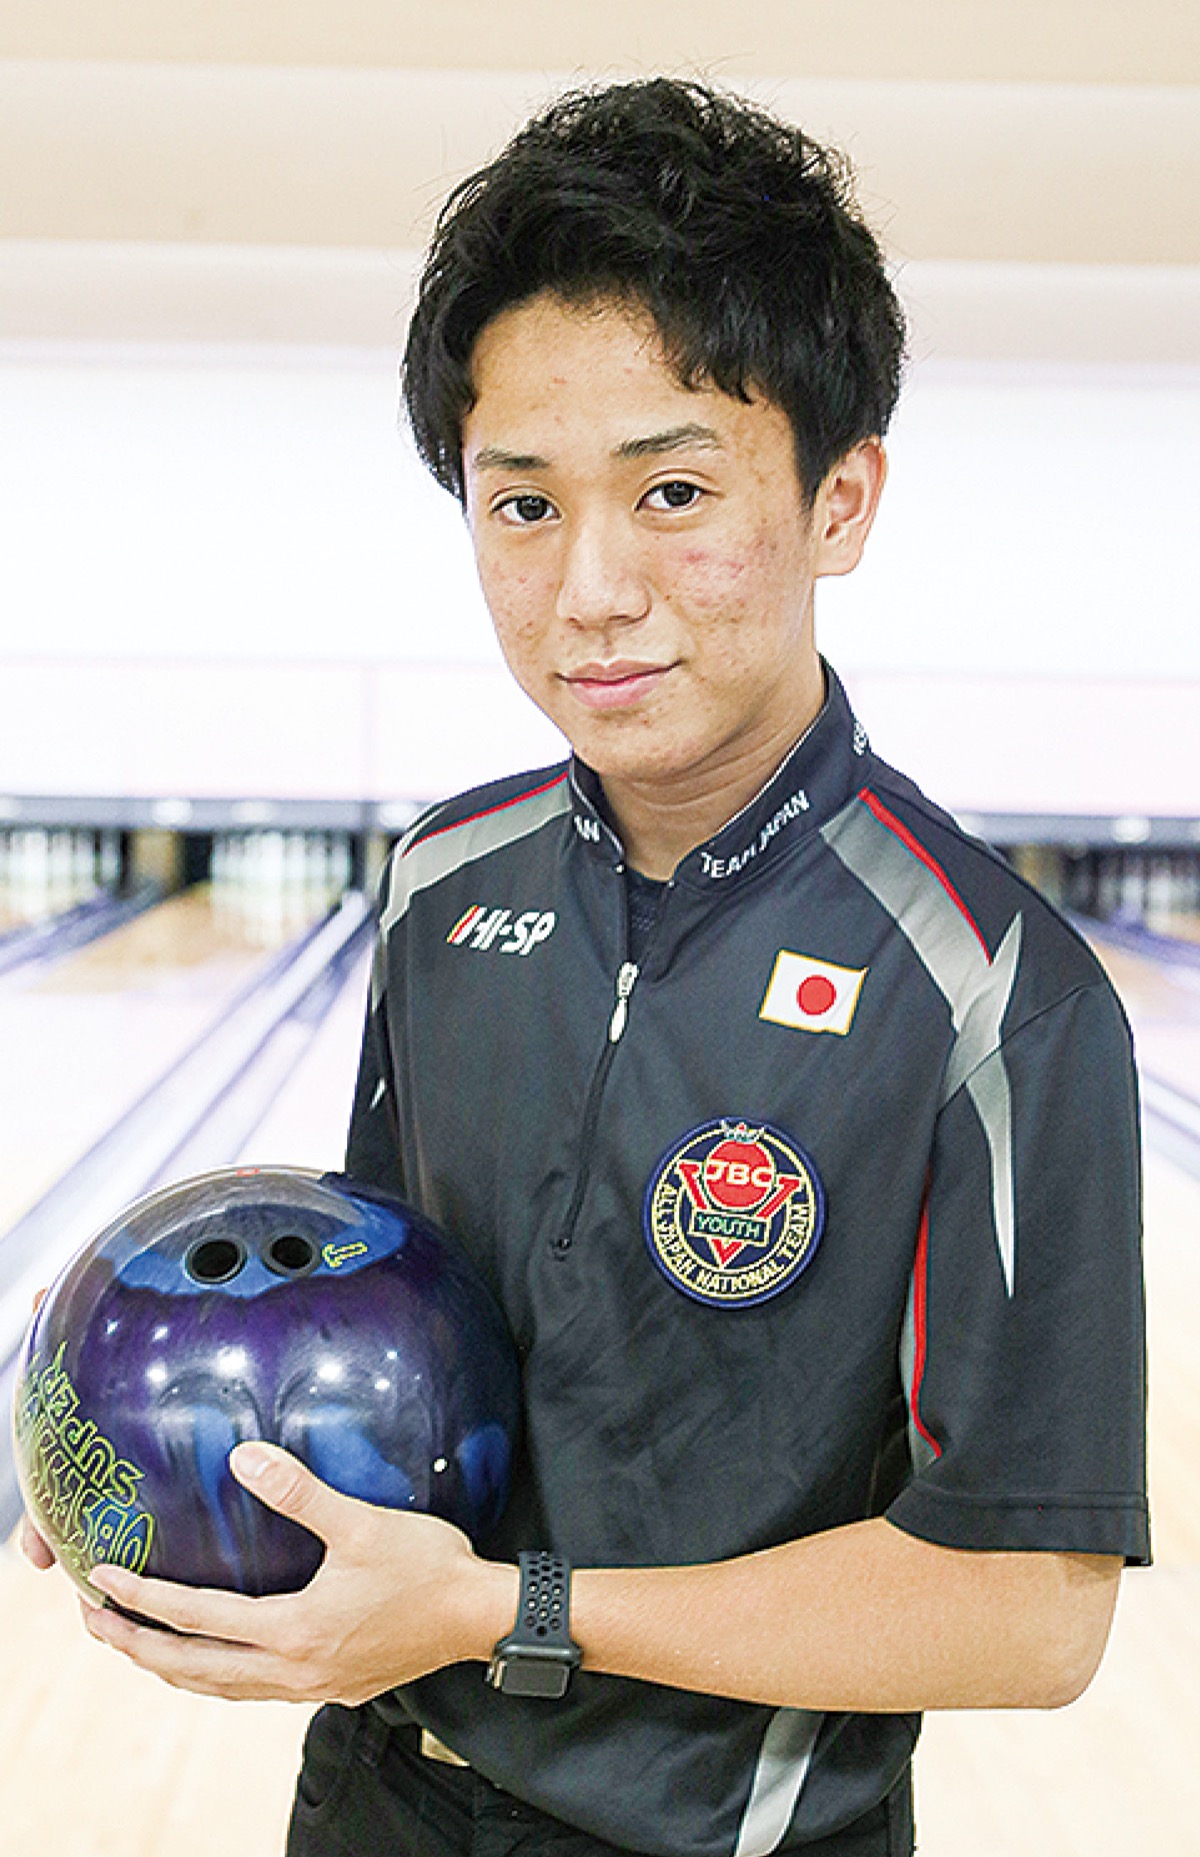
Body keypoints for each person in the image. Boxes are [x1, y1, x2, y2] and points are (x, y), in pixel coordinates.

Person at [24, 78, 1148, 1857]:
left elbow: (1028, 1606)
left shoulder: (997, 987)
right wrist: (168, 1470)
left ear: (841, 499)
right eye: (522, 505)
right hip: (375, 1797)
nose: (591, 588)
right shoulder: (440, 883)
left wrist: (508, 1610)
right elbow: (385, 1333)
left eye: (674, 490)